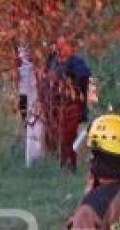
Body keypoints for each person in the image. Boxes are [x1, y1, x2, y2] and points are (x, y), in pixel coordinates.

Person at [41, 35, 91, 172]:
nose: (60, 49)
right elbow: (45, 76)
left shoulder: (76, 63)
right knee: (53, 137)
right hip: (52, 106)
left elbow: (84, 76)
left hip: (70, 108)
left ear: (70, 47)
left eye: (63, 46)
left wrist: (67, 83)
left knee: (68, 138)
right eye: (59, 45)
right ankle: (57, 164)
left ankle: (69, 167)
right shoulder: (52, 60)